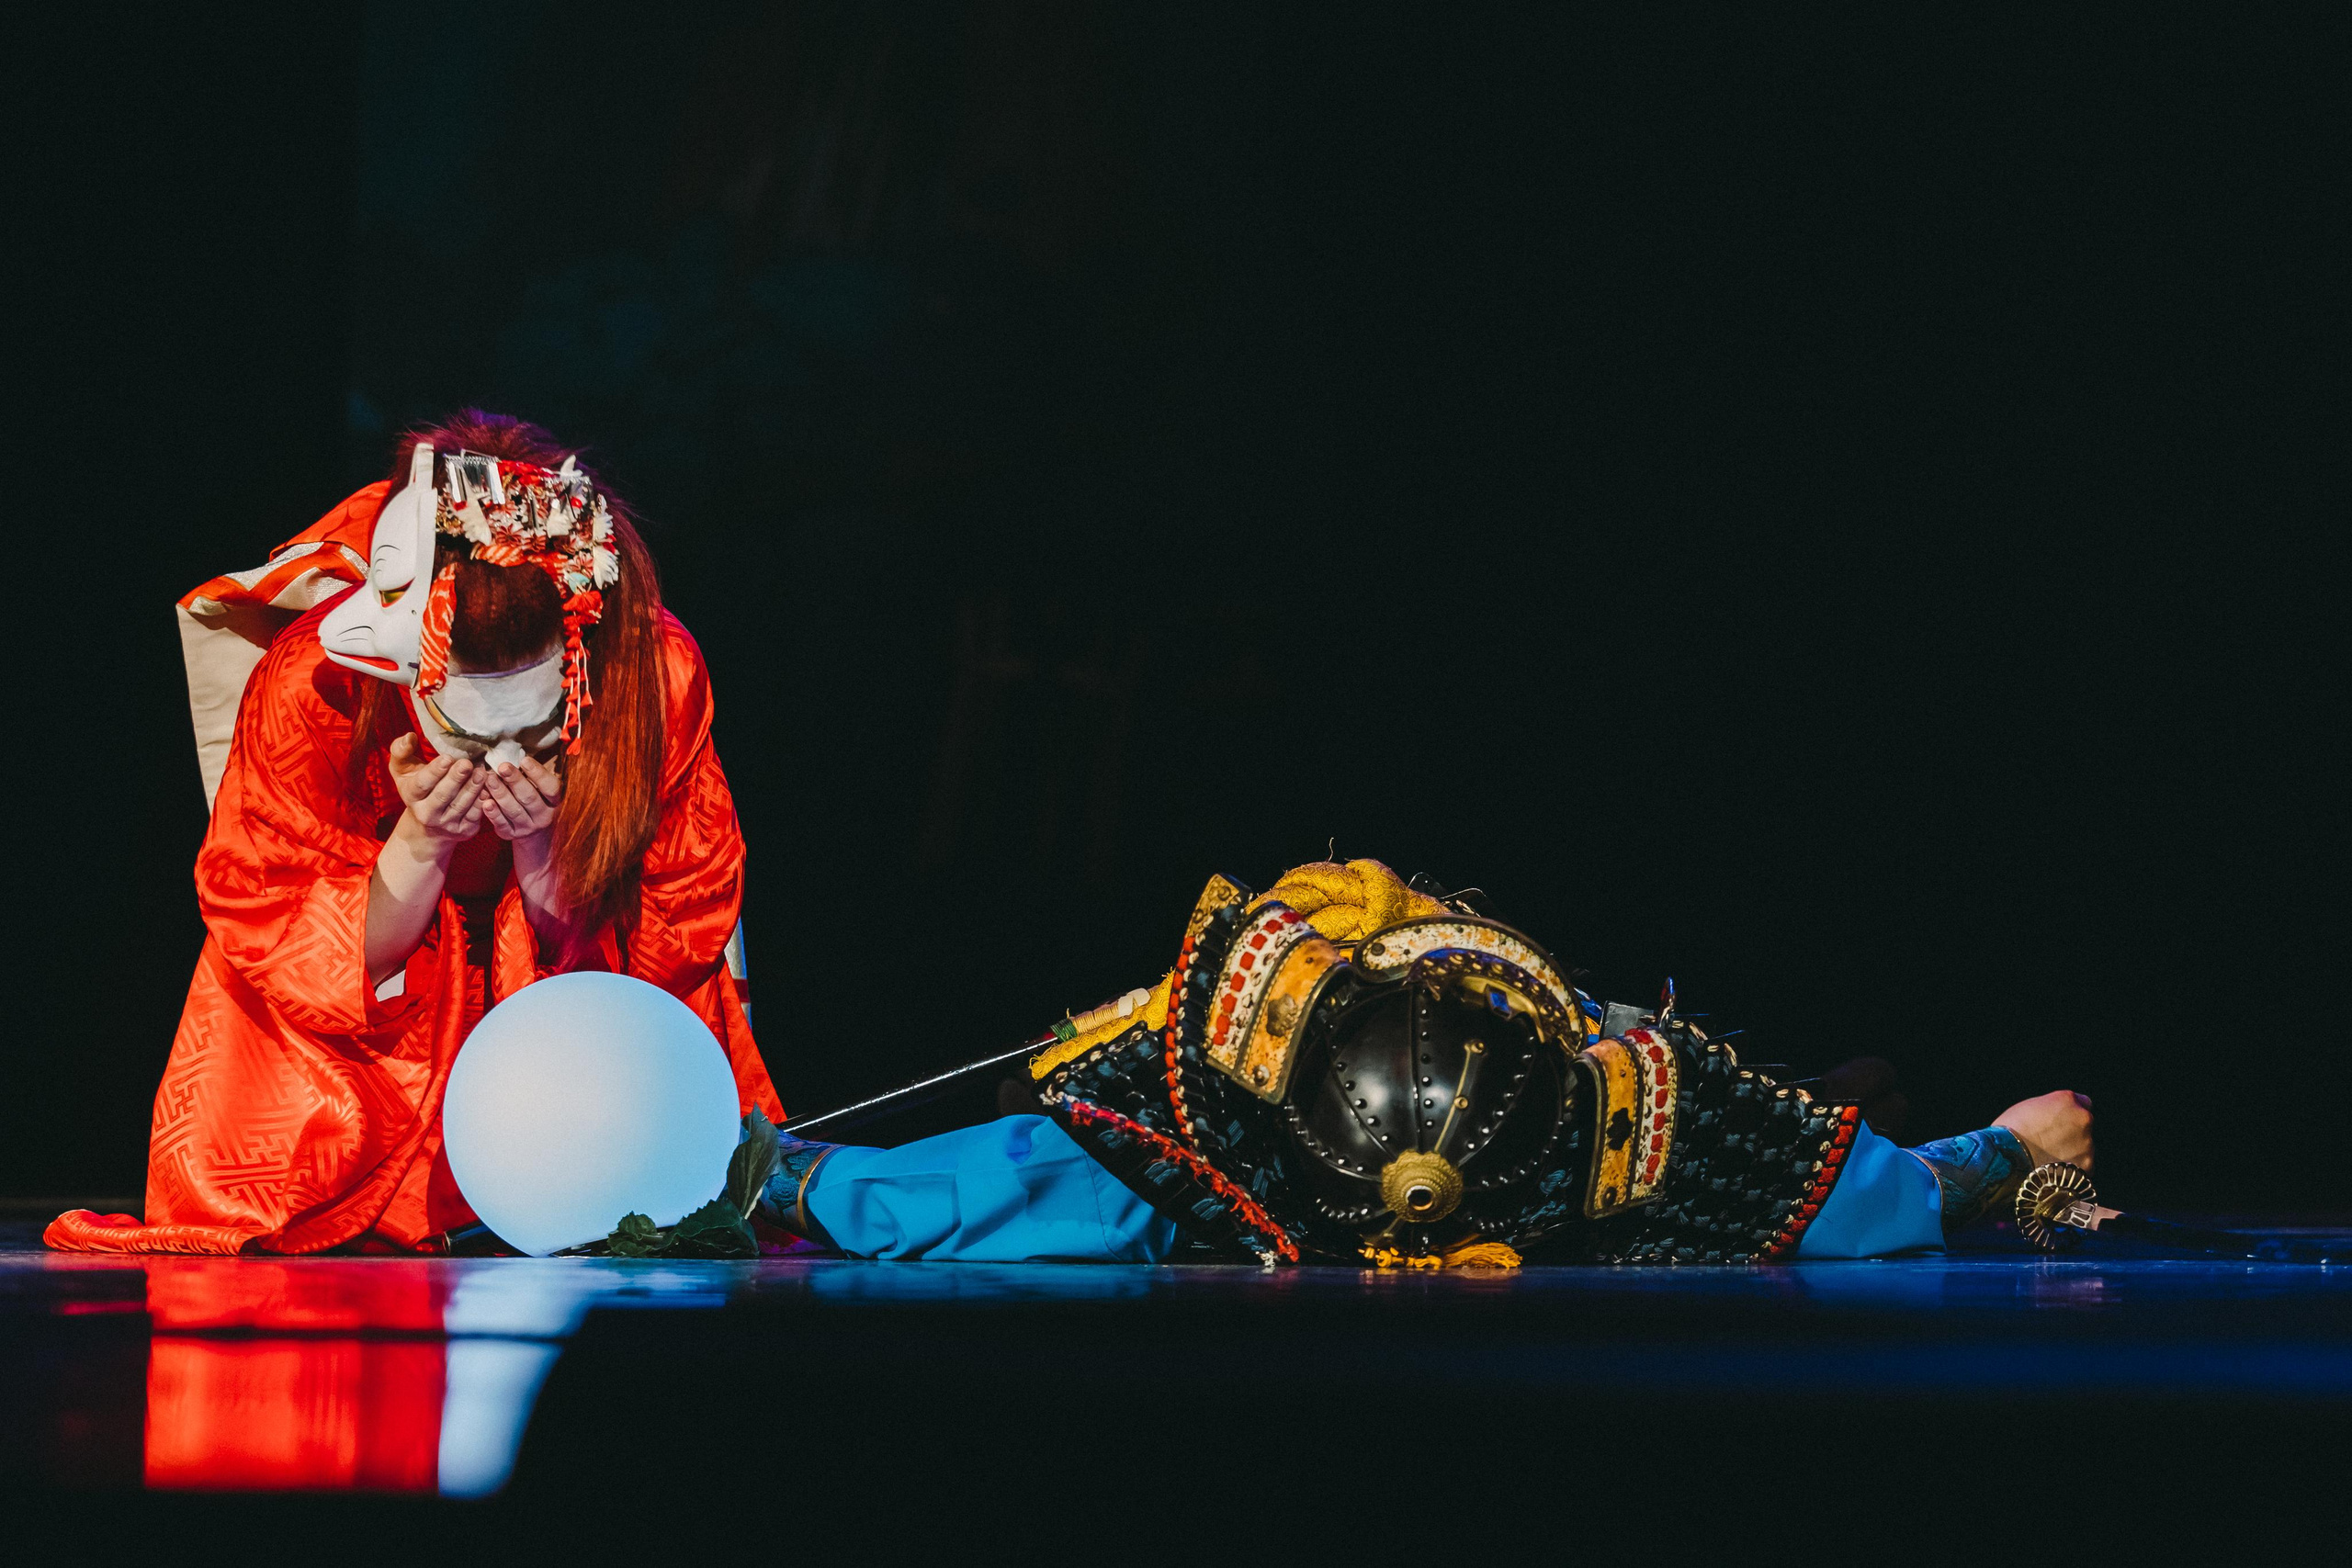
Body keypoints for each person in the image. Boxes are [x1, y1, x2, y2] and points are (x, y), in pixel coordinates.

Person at [48, 412, 781, 1255]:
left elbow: (680, 917)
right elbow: (267, 915)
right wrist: (422, 843)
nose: (499, 758)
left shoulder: (655, 676)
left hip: (573, 973)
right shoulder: (315, 678)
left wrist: (545, 853)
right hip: (367, 995)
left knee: (638, 1157)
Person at [747, 859, 2093, 1266]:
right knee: (1831, 1109)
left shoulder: (1151, 1184)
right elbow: (1860, 1189)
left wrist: (765, 1170)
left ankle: (1847, 1081)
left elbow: (888, 1193)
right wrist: (2011, 1149)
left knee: (1819, 1102)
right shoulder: (1600, 1159)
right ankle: (1850, 1080)